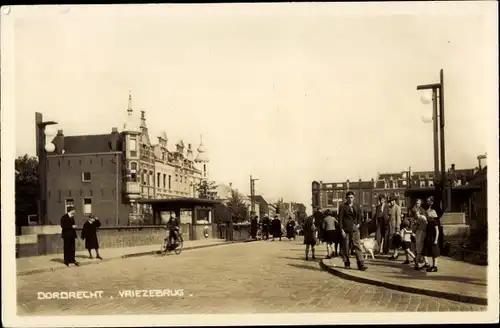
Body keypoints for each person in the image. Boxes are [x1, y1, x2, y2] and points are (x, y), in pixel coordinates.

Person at [339, 191, 367, 271]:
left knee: (357, 245)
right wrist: (341, 230)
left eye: (352, 197)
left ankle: (361, 264)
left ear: (353, 198)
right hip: (346, 229)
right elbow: (340, 219)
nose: (350, 199)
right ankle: (346, 263)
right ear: (346, 198)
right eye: (349, 198)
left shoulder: (356, 206)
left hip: (355, 229)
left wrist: (358, 224)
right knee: (346, 246)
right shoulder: (342, 206)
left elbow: (360, 216)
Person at [411, 199, 430, 270]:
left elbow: (426, 223)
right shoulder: (417, 219)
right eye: (415, 213)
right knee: (419, 250)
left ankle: (426, 263)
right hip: (420, 234)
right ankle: (417, 264)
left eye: (417, 213)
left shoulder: (422, 217)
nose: (416, 214)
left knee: (421, 249)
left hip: (421, 234)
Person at [424, 201, 440, 272]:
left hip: (433, 238)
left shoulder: (434, 222)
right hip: (429, 237)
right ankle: (433, 265)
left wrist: (436, 239)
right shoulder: (429, 222)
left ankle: (435, 266)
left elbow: (437, 231)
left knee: (434, 253)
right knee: (432, 252)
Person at [387, 196, 402, 260]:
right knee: (392, 241)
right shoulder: (391, 208)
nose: (392, 202)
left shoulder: (397, 208)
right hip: (391, 227)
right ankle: (394, 254)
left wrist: (398, 228)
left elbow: (398, 218)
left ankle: (396, 254)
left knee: (395, 241)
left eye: (393, 201)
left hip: (395, 227)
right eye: (391, 201)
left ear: (395, 201)